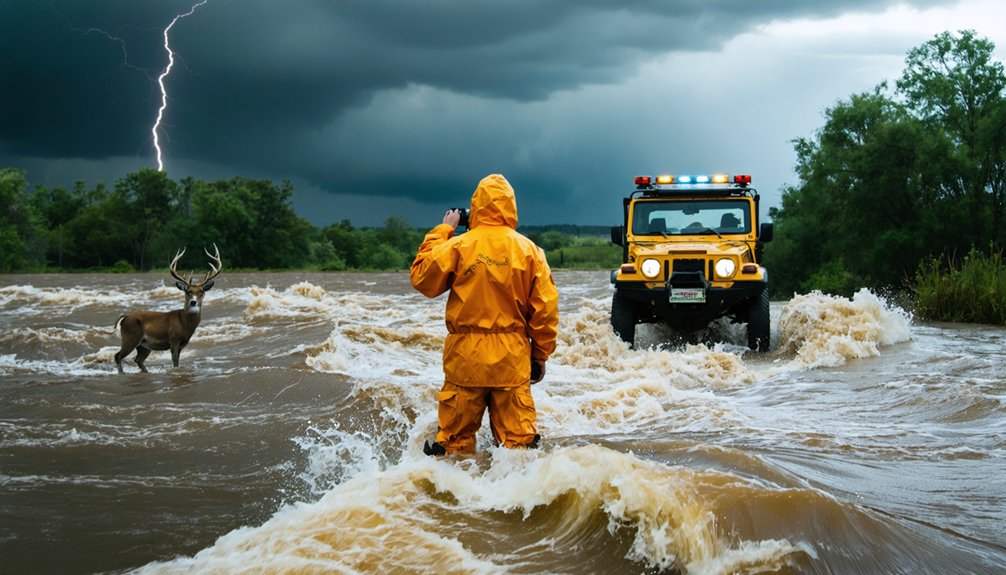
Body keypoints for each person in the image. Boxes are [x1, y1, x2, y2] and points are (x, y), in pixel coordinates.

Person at [410, 174, 559, 456]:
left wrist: (443, 229)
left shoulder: (458, 246)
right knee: (519, 451)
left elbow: (422, 278)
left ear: (475, 208)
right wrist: (539, 356)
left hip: (465, 361)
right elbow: (545, 311)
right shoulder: (530, 251)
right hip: (511, 362)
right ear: (511, 207)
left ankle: (451, 497)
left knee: (453, 448)